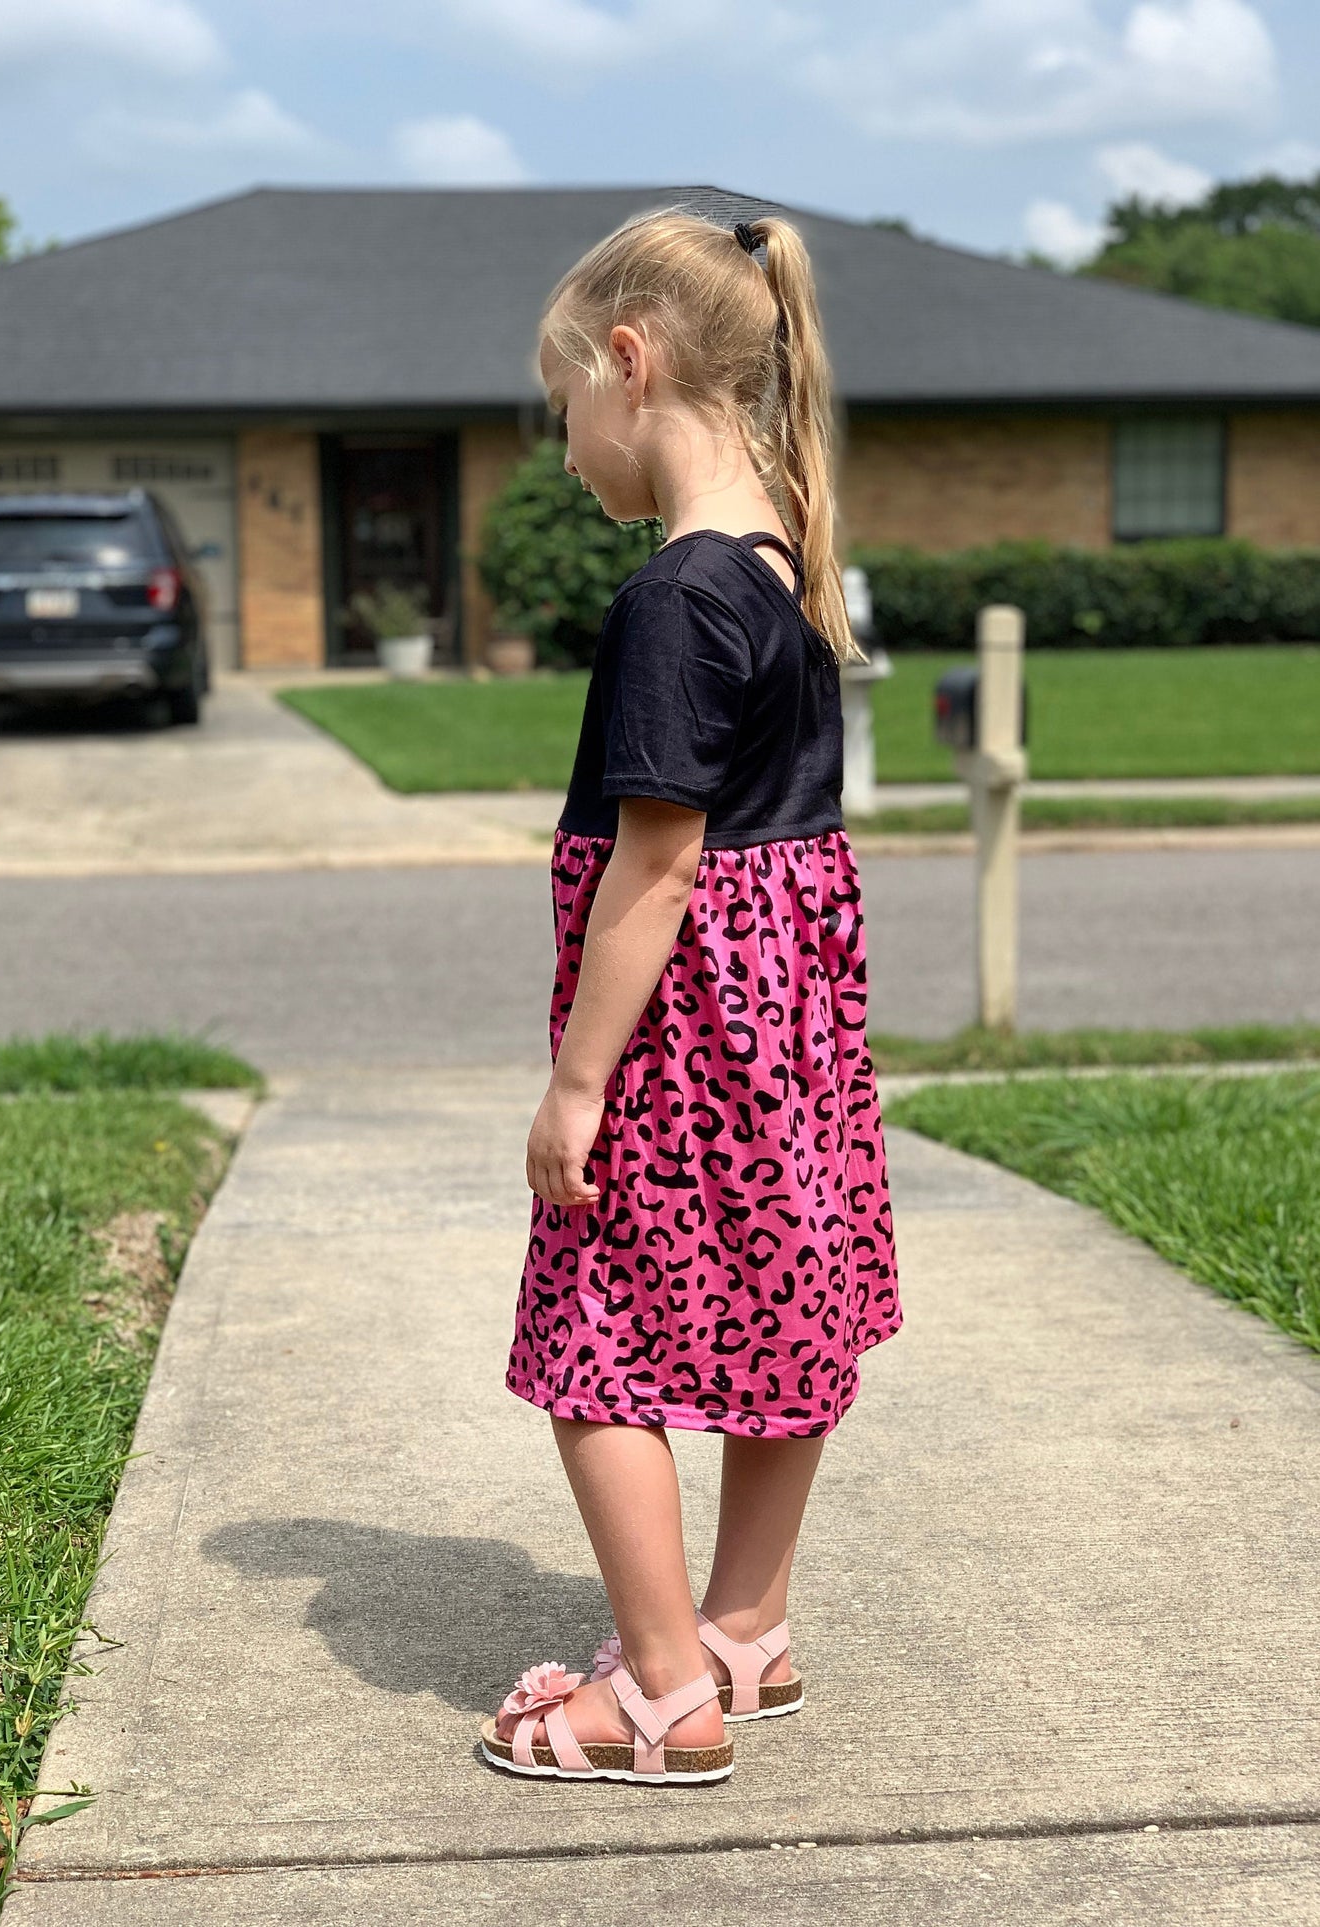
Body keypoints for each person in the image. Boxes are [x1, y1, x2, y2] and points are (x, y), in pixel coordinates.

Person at [478, 206, 903, 1786]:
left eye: (563, 405)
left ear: (631, 364)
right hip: (780, 1040)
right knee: (787, 1303)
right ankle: (744, 1627)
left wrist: (577, 1081)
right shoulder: (784, 564)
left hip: (677, 1042)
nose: (566, 446)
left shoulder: (672, 598)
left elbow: (655, 873)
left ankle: (657, 1695)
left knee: (596, 1338)